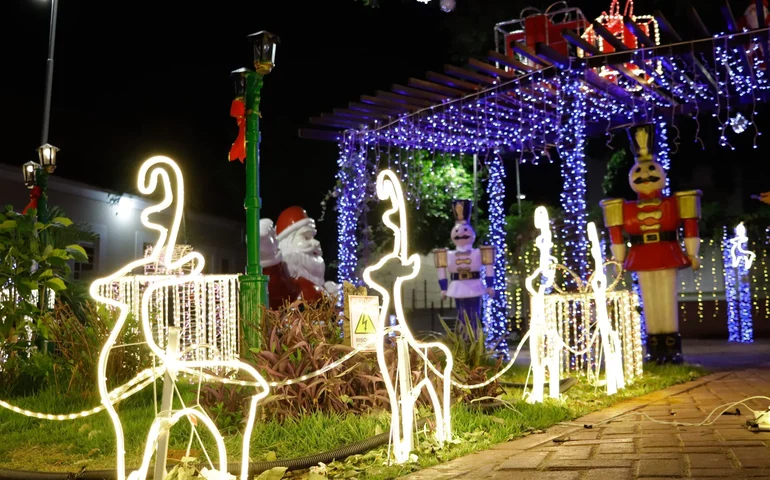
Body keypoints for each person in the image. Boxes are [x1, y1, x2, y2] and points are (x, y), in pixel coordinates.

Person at [600, 124, 701, 364]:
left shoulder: (675, 202)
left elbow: (690, 225)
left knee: (666, 298)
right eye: (639, 171)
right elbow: (615, 234)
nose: (645, 176)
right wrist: (619, 260)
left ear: (662, 174)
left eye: (652, 169)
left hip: (667, 252)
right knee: (649, 300)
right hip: (641, 254)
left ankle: (671, 348)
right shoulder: (623, 207)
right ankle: (655, 347)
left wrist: (693, 253)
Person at [433, 200, 494, 332]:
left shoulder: (479, 252)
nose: (461, 233)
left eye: (465, 230)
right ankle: (465, 338)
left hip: (474, 284)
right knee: (461, 313)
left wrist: (490, 285)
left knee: (475, 314)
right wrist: (443, 288)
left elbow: (489, 266)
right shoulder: (447, 254)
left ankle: (475, 338)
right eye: (458, 231)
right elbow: (441, 270)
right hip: (458, 286)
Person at [260, 206, 338, 309]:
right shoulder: (289, 284)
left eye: (313, 237)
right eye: (305, 237)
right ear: (286, 243)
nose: (316, 242)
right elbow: (274, 284)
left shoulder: (321, 287)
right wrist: (267, 253)